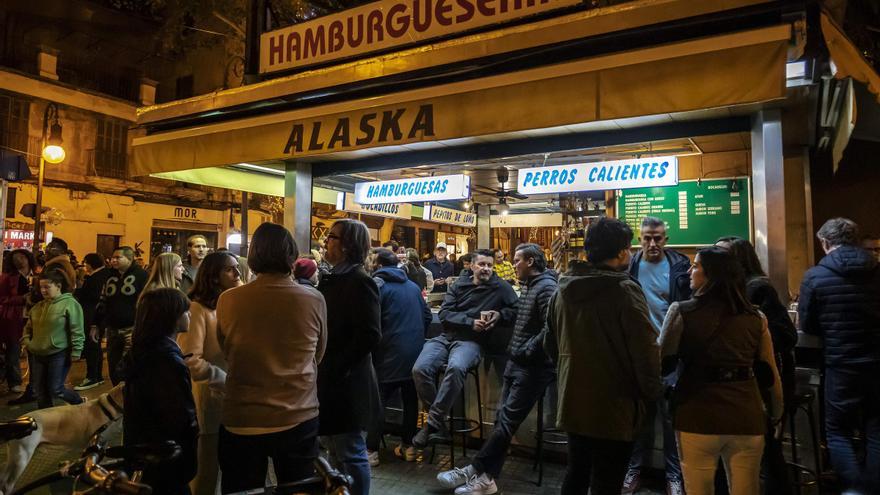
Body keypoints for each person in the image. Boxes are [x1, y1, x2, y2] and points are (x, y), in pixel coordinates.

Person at [544, 217, 662, 495]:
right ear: (622, 252)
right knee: (607, 482)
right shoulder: (624, 290)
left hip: (573, 402)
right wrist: (652, 395)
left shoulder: (561, 290)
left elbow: (549, 345)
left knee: (576, 473)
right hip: (615, 406)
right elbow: (645, 352)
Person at [661, 246, 783, 495]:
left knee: (698, 488)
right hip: (746, 416)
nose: (689, 271)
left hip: (696, 413)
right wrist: (776, 413)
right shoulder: (755, 317)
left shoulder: (681, 312)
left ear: (710, 275)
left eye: (695, 266)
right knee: (746, 488)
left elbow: (662, 361)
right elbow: (769, 373)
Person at [216, 223, 327, 494]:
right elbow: (319, 353)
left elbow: (226, 351)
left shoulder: (228, 300)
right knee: (297, 487)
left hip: (241, 415)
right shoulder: (313, 299)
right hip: (297, 413)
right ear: (291, 256)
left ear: (253, 256)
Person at [438, 243, 558, 494]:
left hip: (533, 367)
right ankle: (487, 479)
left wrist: (526, 350)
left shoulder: (546, 287)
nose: (513, 265)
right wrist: (499, 315)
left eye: (517, 260)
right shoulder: (530, 286)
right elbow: (523, 318)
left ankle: (476, 470)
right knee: (503, 421)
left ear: (531, 263)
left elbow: (552, 329)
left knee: (505, 423)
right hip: (517, 362)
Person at [798, 218, 880, 494]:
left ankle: (854, 489)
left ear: (825, 242)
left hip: (840, 363)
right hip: (877, 362)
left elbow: (807, 326)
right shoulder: (877, 269)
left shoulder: (815, 276)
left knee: (838, 431)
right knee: (876, 429)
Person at [716, 236, 798, 494]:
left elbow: (786, 335)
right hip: (741, 381)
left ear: (738, 260)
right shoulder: (728, 289)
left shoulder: (757, 288)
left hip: (760, 380)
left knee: (766, 447)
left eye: (722, 255)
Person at [412, 249, 517, 448]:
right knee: (420, 369)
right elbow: (444, 313)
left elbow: (516, 309)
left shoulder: (501, 287)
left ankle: (432, 424)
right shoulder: (460, 284)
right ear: (471, 265)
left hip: (472, 342)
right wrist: (470, 321)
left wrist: (499, 315)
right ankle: (440, 425)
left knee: (457, 368)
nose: (486, 268)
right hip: (445, 338)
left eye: (489, 265)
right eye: (482, 264)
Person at [623, 217, 692, 495]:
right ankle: (633, 469)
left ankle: (674, 476)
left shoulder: (680, 265)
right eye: (647, 238)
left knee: (669, 419)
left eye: (658, 238)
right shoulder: (630, 265)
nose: (652, 243)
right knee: (640, 418)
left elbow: (688, 306)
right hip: (639, 353)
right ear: (639, 239)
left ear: (666, 238)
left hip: (671, 355)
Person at [317, 219, 382, 495]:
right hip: (332, 380)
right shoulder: (335, 278)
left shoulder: (359, 282)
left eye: (330, 237)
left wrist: (337, 367)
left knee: (351, 452)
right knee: (335, 451)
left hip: (348, 384)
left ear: (346, 246)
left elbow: (370, 334)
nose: (325, 241)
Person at [178, 252, 242, 495]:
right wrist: (224, 380)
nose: (237, 274)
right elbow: (191, 358)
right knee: (207, 471)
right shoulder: (198, 308)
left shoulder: (234, 303)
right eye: (229, 270)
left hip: (236, 398)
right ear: (213, 277)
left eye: (237, 268)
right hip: (211, 398)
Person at [122, 288, 198, 495]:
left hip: (145, 454)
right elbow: (177, 417)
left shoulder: (144, 352)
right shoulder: (166, 360)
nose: (189, 314)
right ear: (171, 317)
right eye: (185, 311)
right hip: (166, 457)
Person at [366, 248, 431, 465]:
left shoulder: (377, 286)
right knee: (410, 400)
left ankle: (371, 451)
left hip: (387, 353)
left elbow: (369, 323)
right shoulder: (413, 287)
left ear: (378, 264)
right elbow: (427, 315)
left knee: (379, 401)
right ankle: (408, 447)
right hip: (414, 352)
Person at [21, 270, 85, 409]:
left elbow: (77, 330)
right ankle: (47, 419)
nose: (43, 290)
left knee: (56, 389)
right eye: (41, 287)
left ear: (58, 286)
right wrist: (27, 342)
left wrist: (76, 351)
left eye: (47, 287)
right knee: (40, 391)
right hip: (38, 353)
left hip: (58, 353)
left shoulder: (70, 304)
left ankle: (79, 403)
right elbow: (28, 328)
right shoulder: (38, 307)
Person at [97, 246, 148, 385]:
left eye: (118, 257)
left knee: (128, 365)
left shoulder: (141, 276)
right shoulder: (109, 276)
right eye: (113, 257)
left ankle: (128, 396)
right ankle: (116, 394)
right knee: (113, 364)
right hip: (112, 328)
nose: (113, 260)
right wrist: (97, 324)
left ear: (130, 259)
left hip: (131, 328)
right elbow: (103, 300)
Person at [73, 253, 113, 391]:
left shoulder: (96, 278)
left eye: (86, 263)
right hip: (97, 315)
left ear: (90, 264)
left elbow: (91, 297)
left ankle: (92, 376)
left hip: (92, 315)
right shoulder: (105, 274)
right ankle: (97, 375)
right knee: (95, 346)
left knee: (92, 345)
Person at [0, 249, 33, 394]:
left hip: (29, 318)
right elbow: (2, 298)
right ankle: (14, 381)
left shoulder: (34, 276)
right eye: (16, 257)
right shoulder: (7, 277)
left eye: (22, 256)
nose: (19, 259)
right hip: (12, 319)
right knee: (12, 349)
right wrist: (22, 299)